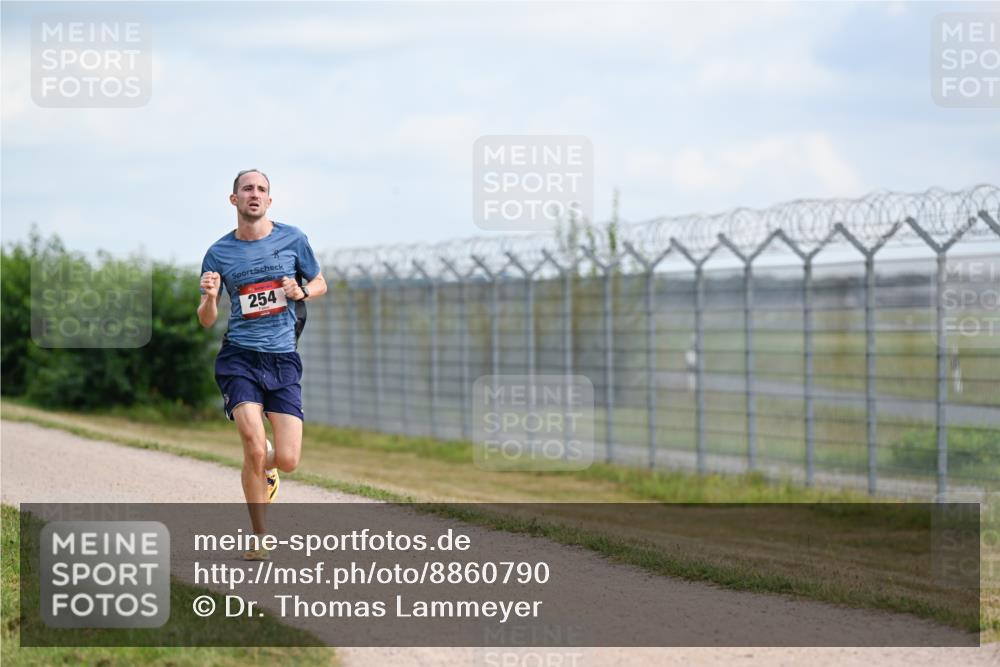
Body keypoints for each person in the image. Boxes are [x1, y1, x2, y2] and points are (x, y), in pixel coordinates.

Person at [197, 169, 327, 560]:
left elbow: (320, 282)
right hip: (239, 358)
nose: (255, 194)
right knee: (253, 447)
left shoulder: (293, 238)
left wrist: (301, 289)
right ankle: (260, 538)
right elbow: (206, 318)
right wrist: (209, 298)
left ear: (269, 200)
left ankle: (266, 470)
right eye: (247, 189)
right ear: (233, 199)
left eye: (262, 189)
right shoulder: (218, 253)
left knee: (286, 459)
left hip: (283, 358)